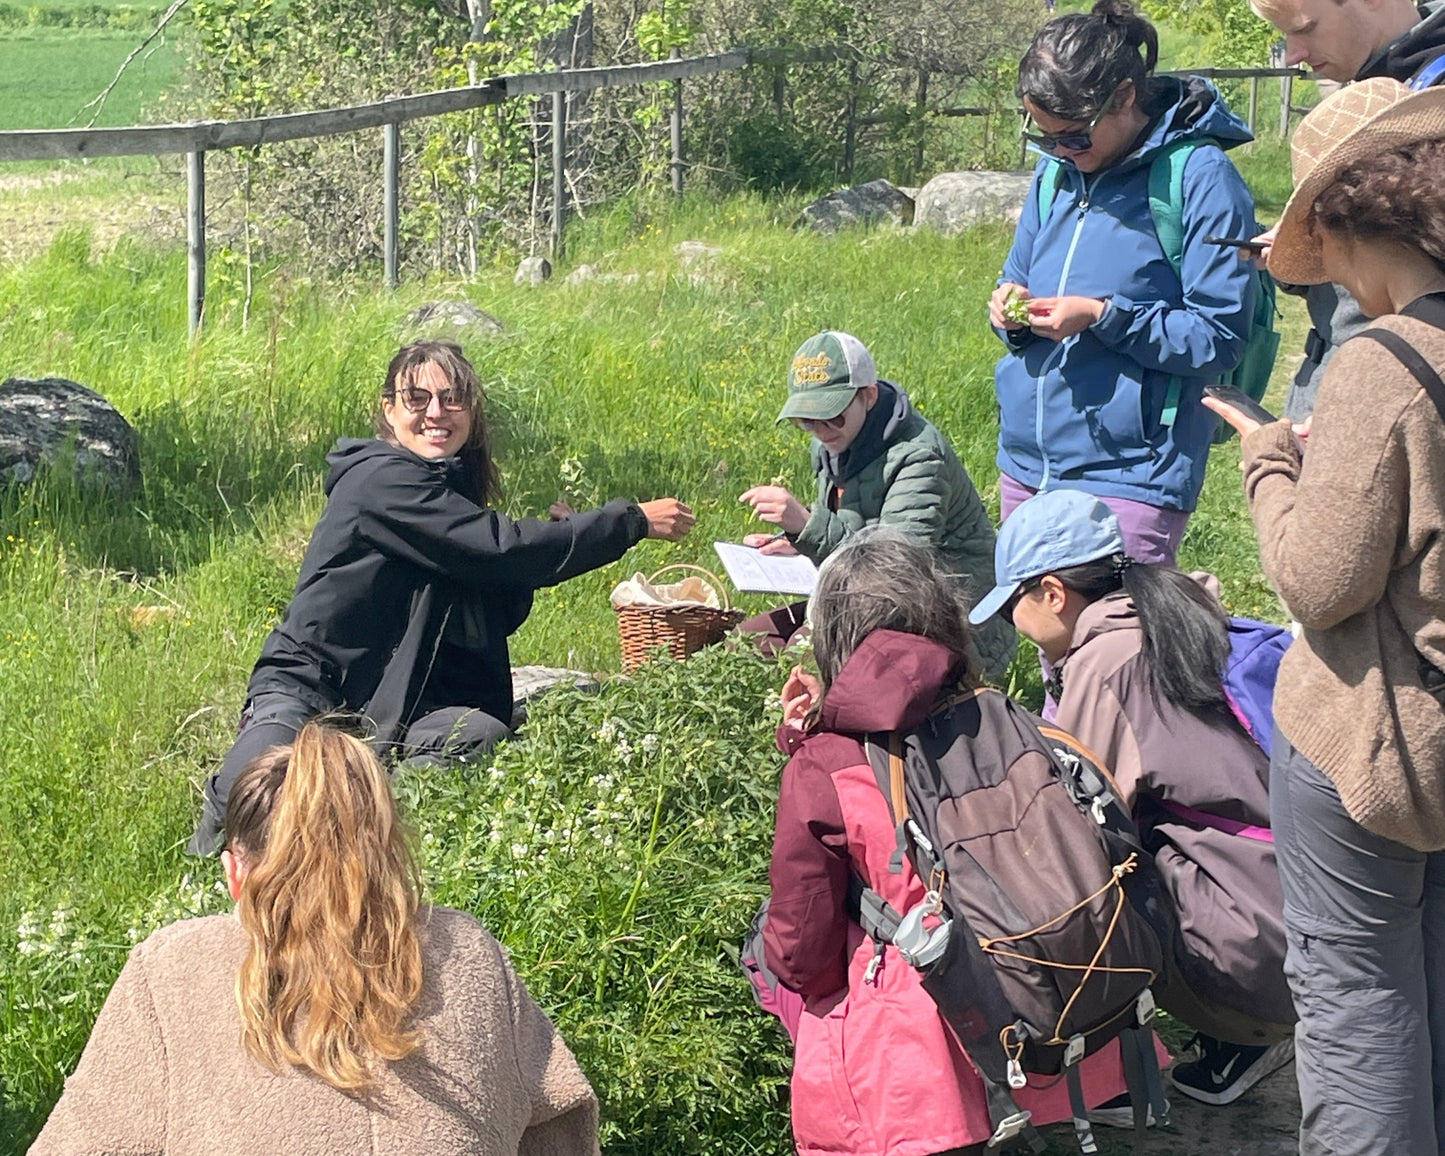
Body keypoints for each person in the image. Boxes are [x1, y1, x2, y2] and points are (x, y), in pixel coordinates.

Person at [188, 338, 694, 854]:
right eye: (417, 399)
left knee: (474, 732)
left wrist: (558, 539)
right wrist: (626, 522)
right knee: (260, 791)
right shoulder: (379, 480)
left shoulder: (450, 492)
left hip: (396, 705)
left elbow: (493, 600)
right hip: (313, 687)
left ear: (472, 413)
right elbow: (503, 549)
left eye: (453, 399)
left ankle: (365, 843)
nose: (436, 413)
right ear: (389, 410)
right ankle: (206, 866)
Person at [1206, 78, 1445, 1154]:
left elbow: (1317, 578)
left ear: (1352, 220)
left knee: (1352, 996)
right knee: (1425, 976)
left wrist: (1266, 461)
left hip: (1375, 736)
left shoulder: (1377, 361)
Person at [31, 720, 600, 1153]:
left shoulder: (171, 970)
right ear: (382, 853)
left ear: (234, 872)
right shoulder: (469, 953)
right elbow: (564, 1118)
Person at [762, 528, 1145, 1153]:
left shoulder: (826, 768)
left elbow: (803, 955)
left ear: (833, 640)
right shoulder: (1005, 714)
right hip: (1057, 1009)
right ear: (941, 614)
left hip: (925, 1069)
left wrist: (810, 743)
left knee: (775, 960)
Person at [968, 488, 1295, 1110]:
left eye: (1013, 601)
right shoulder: (1180, 608)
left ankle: (1114, 1069)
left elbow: (1066, 822)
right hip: (1302, 901)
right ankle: (1247, 1034)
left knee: (1080, 884)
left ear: (1053, 593)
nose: (1013, 619)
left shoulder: (1106, 662)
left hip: (1259, 952)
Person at [991, 0, 1260, 566]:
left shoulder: (1201, 177)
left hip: (1132, 474)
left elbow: (1219, 336)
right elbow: (1017, 276)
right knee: (1050, 639)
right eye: (1043, 138)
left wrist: (1103, 317)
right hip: (1027, 462)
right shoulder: (1054, 175)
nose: (1061, 152)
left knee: (1120, 649)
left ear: (1126, 98)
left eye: (1074, 138)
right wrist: (1009, 311)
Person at [737, 330, 1015, 680]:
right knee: (743, 644)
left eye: (832, 415)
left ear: (868, 396)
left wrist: (809, 523)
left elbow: (892, 570)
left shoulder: (919, 457)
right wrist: (795, 537)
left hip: (948, 613)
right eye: (807, 420)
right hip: (865, 593)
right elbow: (853, 521)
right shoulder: (834, 443)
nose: (821, 430)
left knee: (802, 656)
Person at [1247, 0, 1445, 420]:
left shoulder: (1434, 95)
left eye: (1306, 28)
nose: (1295, 54)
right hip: (1343, 383)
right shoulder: (1369, 88)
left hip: (1398, 395)